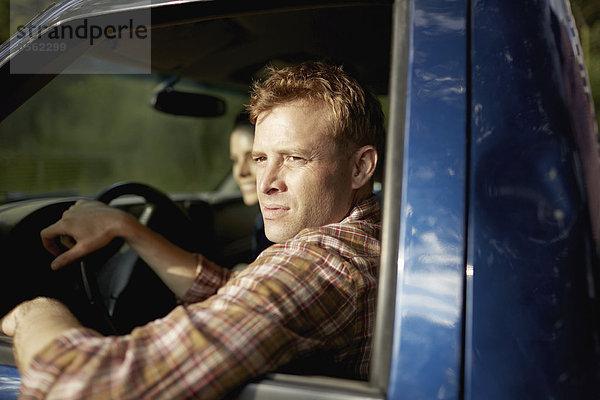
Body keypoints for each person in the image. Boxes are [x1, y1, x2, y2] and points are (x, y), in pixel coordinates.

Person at [1, 61, 384, 399]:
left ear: (360, 167)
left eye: (295, 158)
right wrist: (128, 228)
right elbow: (252, 298)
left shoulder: (322, 266)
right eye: (261, 158)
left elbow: (88, 388)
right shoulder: (373, 235)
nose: (265, 182)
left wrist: (33, 314)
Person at [229, 111, 273, 258]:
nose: (241, 172)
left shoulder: (281, 228)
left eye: (254, 157)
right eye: (235, 160)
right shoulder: (261, 221)